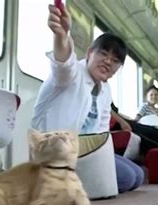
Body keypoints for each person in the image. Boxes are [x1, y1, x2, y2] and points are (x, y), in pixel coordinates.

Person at [31, 5, 143, 193]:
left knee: (138, 175)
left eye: (115, 60)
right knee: (126, 178)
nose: (108, 61)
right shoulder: (72, 74)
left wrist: (103, 159)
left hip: (86, 153)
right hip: (58, 152)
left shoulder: (105, 90)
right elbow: (63, 65)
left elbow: (101, 133)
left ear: (118, 68)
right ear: (90, 53)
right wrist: (62, 35)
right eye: (103, 54)